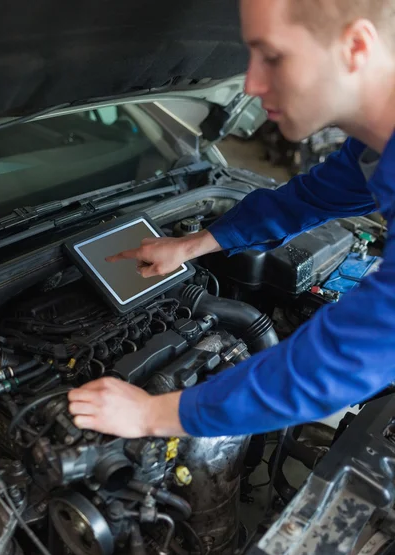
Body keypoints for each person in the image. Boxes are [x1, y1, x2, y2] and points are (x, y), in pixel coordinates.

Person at [68, 0, 395, 439]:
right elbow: (306, 200)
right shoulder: (372, 150)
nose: (253, 84)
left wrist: (152, 415)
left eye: (273, 57)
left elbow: (346, 357)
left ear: (356, 46)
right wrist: (192, 245)